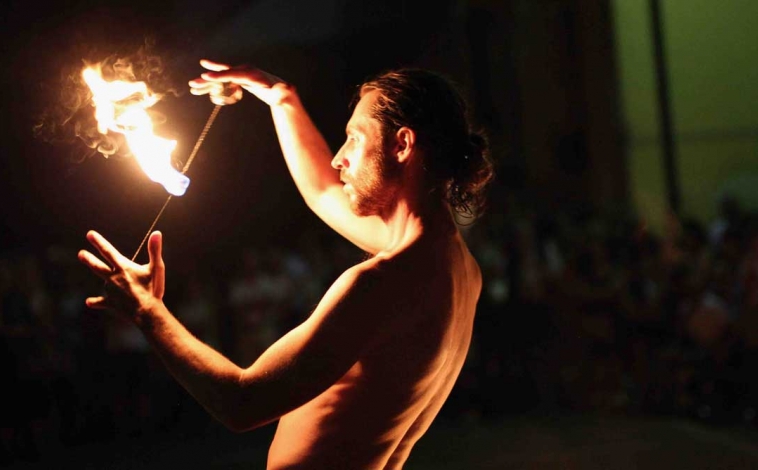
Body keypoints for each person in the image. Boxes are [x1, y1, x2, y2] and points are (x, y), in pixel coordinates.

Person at [78, 58, 494, 468]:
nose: (338, 158)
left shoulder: (380, 283)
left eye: (354, 138)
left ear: (402, 145)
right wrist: (282, 100)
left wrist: (148, 311)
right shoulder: (452, 266)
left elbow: (242, 403)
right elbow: (322, 193)